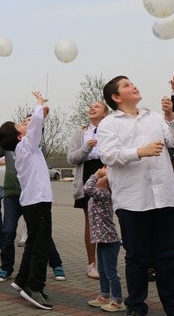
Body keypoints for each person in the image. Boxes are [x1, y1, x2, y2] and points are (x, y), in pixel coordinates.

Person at [97, 76, 174, 316]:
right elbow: (109, 155)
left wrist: (171, 117)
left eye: (132, 83)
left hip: (165, 198)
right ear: (116, 98)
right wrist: (140, 152)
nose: (134, 86)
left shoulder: (156, 118)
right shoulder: (109, 124)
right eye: (126, 85)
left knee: (166, 258)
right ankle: (136, 308)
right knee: (137, 259)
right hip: (132, 201)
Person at [0, 91, 55, 310]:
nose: (25, 123)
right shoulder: (24, 147)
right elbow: (35, 126)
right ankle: (34, 287)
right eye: (20, 124)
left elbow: (36, 127)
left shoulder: (24, 148)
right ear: (19, 136)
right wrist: (38, 105)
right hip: (37, 202)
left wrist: (41, 115)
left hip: (34, 202)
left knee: (33, 242)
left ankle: (21, 280)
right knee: (41, 246)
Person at [67, 100, 108, 280]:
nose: (92, 108)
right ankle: (92, 264)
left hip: (109, 172)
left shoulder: (112, 129)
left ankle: (110, 263)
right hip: (88, 176)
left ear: (106, 113)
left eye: (97, 106)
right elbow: (71, 158)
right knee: (91, 221)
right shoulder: (81, 132)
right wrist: (86, 147)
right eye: (90, 106)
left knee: (113, 219)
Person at [84, 166, 124, 312]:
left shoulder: (104, 194)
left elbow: (87, 188)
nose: (98, 180)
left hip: (109, 241)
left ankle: (118, 301)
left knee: (110, 272)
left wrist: (96, 173)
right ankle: (105, 295)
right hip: (102, 240)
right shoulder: (99, 194)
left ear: (107, 184)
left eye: (101, 179)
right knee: (102, 270)